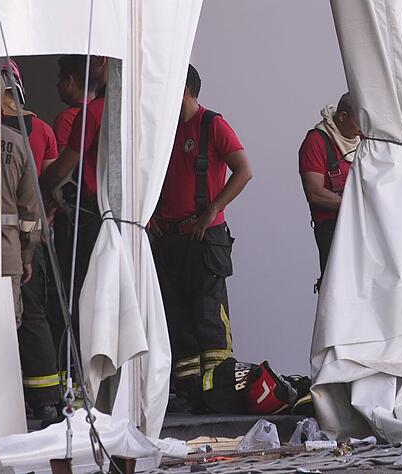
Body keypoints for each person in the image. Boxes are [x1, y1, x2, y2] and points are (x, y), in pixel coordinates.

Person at [149, 64, 253, 412]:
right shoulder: (163, 130)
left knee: (209, 316)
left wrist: (212, 211)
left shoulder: (212, 125)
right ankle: (190, 395)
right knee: (178, 320)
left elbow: (244, 170)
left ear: (185, 89)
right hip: (170, 239)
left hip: (205, 240)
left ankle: (219, 395)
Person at [0, 60, 64, 422]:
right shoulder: (38, 130)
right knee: (33, 317)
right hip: (28, 239)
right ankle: (46, 400)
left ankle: (11, 399)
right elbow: (52, 183)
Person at [40, 55, 108, 347]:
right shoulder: (126, 110)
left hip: (84, 218)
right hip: (121, 220)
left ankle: (74, 365)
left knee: (73, 290)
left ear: (70, 81)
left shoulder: (80, 117)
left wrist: (39, 186)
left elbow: (61, 169)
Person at [298, 93, 360, 291]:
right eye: (359, 121)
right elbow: (315, 192)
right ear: (342, 117)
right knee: (340, 292)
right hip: (333, 230)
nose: (364, 128)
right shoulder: (316, 142)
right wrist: (358, 204)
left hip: (363, 227)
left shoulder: (365, 140)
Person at [54, 55, 98, 153]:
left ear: (69, 81)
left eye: (60, 79)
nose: (57, 85)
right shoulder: (103, 112)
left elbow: (65, 167)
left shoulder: (66, 119)